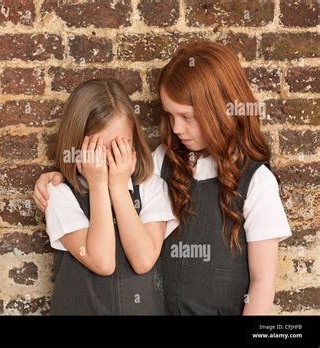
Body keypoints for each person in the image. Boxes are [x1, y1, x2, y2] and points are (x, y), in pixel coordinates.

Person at [34, 42, 292, 315]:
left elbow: (263, 282)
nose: (177, 128)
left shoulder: (257, 182)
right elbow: (120, 177)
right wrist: (64, 174)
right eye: (170, 116)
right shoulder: (163, 161)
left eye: (187, 116)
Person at [44, 78, 178, 315]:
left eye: (120, 146)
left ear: (134, 142)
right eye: (98, 148)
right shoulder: (60, 195)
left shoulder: (152, 188)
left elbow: (144, 260)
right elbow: (102, 261)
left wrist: (117, 188)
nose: (109, 158)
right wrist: (98, 186)